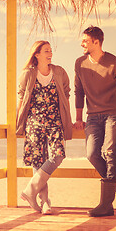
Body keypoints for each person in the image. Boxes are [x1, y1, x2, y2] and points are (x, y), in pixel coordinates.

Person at [74, 26, 116, 217]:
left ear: (96, 42)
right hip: (92, 116)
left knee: (110, 153)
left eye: (85, 40)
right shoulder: (80, 63)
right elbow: (79, 91)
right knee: (92, 154)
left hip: (113, 114)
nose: (81, 43)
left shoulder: (115, 63)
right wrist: (78, 117)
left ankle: (106, 205)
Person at [17, 40, 72, 214]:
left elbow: (66, 95)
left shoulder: (59, 72)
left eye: (50, 51)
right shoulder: (27, 74)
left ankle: (29, 191)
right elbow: (20, 99)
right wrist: (17, 123)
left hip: (55, 121)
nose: (50, 53)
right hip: (34, 122)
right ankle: (45, 202)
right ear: (37, 54)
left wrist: (68, 120)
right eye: (46, 51)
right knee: (38, 161)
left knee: (57, 156)